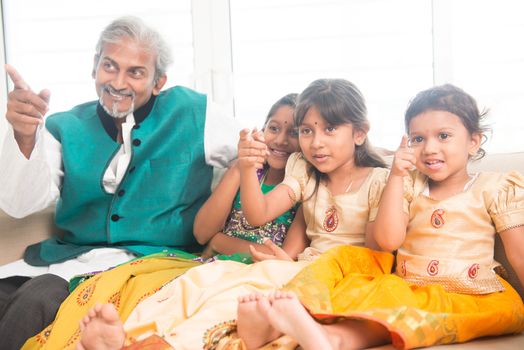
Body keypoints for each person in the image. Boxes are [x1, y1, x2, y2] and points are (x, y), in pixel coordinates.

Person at [70, 78, 390, 350]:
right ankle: (127, 336)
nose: (312, 142)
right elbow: (230, 224)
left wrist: (223, 242)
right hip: (260, 265)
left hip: (292, 268)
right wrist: (245, 167)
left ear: (359, 133)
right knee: (196, 282)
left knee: (231, 294)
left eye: (296, 131)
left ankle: (168, 344)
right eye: (305, 131)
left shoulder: (353, 180)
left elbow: (290, 254)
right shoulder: (303, 178)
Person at [0, 16, 239, 349]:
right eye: (109, 66)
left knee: (37, 301)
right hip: (71, 260)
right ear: (94, 66)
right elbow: (19, 203)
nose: (118, 82)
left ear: (159, 81)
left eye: (136, 72)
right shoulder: (62, 126)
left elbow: (256, 160)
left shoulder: (195, 113)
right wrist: (23, 136)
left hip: (156, 265)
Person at [232, 84, 524, 350]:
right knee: (352, 274)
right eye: (418, 138)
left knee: (401, 319)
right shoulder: (408, 184)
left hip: (474, 293)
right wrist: (397, 176)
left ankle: (329, 339)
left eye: (444, 136)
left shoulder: (496, 188)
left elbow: (519, 256)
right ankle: (279, 326)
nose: (430, 148)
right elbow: (388, 240)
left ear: (474, 141)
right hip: (409, 285)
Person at [194, 93, 300, 259]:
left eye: (294, 133)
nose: (280, 140)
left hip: (260, 277)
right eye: (274, 128)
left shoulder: (303, 188)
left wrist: (218, 242)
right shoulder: (243, 171)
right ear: (262, 130)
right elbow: (201, 234)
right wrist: (241, 167)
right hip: (214, 268)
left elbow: (284, 258)